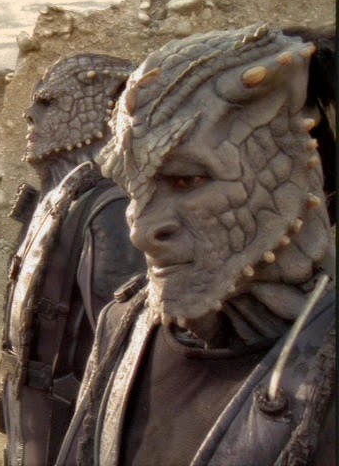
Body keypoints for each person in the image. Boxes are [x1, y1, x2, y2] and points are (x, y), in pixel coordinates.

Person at [55, 25, 336, 466]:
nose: (139, 230)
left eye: (186, 180)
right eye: (133, 189)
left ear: (297, 169)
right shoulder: (120, 326)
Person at [0, 53, 146, 466]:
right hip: (33, 416)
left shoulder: (108, 211)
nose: (29, 115)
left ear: (103, 113)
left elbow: (119, 357)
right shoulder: (64, 199)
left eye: (49, 103)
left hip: (65, 426)